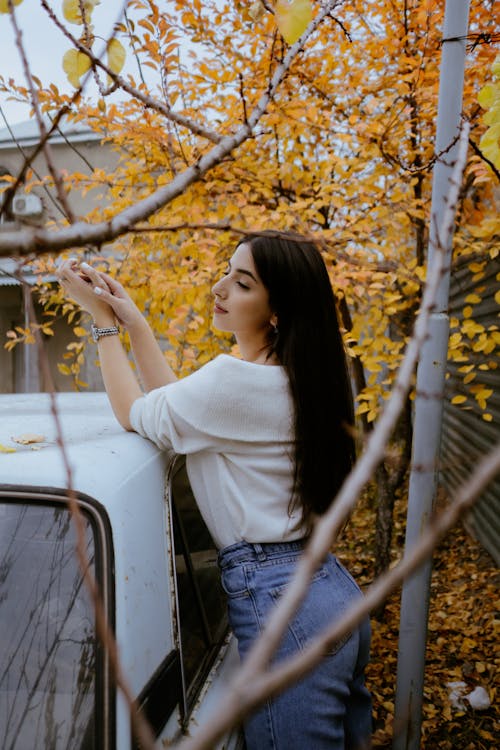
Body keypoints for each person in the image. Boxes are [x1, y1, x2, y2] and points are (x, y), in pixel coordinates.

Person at [58, 231, 372, 750]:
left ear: (277, 310)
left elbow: (135, 415)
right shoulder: (293, 376)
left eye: (242, 283)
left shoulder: (235, 384)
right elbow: (175, 410)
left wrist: (103, 325)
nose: (219, 288)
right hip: (325, 590)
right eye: (227, 271)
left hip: (284, 607)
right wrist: (133, 322)